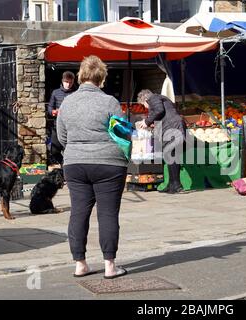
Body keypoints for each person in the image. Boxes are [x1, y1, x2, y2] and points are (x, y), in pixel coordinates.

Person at [57, 55, 129, 279]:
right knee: (107, 214)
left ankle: (80, 264)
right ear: (102, 78)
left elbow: (61, 137)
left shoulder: (67, 103)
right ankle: (110, 266)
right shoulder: (110, 102)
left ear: (81, 76)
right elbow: (123, 135)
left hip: (75, 163)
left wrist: (77, 150)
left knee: (78, 213)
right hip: (109, 164)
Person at [136, 89, 186, 194]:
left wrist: (147, 121)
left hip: (172, 127)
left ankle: (176, 185)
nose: (145, 107)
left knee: (171, 155)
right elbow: (164, 113)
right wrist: (153, 124)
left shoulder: (152, 98)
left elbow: (159, 110)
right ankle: (172, 184)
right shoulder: (160, 98)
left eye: (143, 104)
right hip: (173, 126)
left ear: (145, 99)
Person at [47, 71, 76, 165]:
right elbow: (50, 108)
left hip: (72, 127)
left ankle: (67, 169)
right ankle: (63, 164)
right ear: (63, 81)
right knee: (54, 151)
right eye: (67, 82)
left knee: (70, 151)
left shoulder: (76, 93)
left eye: (71, 82)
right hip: (57, 126)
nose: (68, 84)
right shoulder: (55, 93)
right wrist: (53, 112)